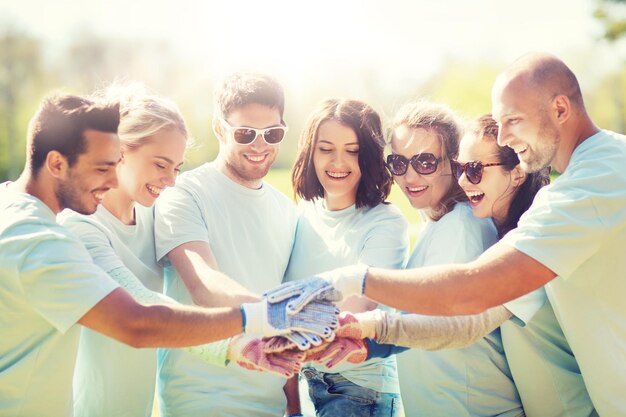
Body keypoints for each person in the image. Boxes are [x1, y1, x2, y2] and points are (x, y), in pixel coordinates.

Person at [281, 53, 626, 416]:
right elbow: (472, 321)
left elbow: (470, 293)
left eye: (513, 120)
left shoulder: (593, 183)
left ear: (559, 108)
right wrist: (372, 333)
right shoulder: (561, 197)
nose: (505, 136)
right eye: (399, 162)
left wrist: (354, 281)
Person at [0, 93, 332, 417]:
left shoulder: (150, 215)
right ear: (120, 153)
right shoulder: (67, 230)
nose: (171, 181)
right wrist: (256, 323)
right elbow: (140, 314)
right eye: (160, 165)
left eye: (177, 167)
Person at [336, 114, 595, 416]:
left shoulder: (519, 245)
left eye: (473, 170)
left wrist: (365, 314)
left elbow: (463, 323)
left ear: (518, 172)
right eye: (462, 168)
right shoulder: (496, 231)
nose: (462, 180)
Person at [153, 73, 303, 417]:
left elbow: (285, 294)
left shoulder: (287, 211)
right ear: (220, 129)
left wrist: (294, 407)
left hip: (272, 404)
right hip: (202, 401)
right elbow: (204, 284)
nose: (260, 144)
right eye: (246, 133)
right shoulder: (184, 193)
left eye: (273, 133)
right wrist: (284, 316)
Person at [382, 101, 523, 416]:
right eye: (398, 163)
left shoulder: (462, 225)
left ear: (454, 162)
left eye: (426, 162)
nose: (410, 176)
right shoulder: (439, 223)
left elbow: (442, 323)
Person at [283, 99, 409, 416]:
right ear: (310, 153)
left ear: (368, 156)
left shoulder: (385, 223)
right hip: (303, 386)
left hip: (360, 393)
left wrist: (276, 324)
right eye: (326, 149)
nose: (338, 161)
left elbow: (354, 312)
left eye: (352, 150)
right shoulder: (301, 215)